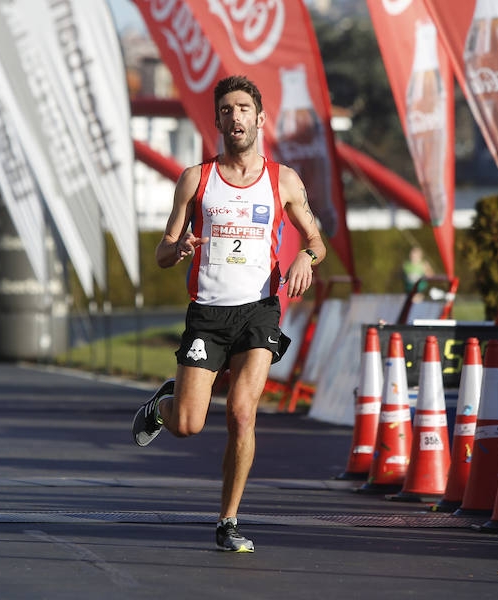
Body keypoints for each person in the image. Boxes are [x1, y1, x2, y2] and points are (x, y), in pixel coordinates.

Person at [132, 75, 326, 553]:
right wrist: (179, 248)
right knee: (188, 425)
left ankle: (228, 521)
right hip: (208, 315)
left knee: (242, 412)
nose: (235, 117)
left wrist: (305, 257)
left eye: (243, 109)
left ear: (260, 119)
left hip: (259, 311)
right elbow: (161, 251)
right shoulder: (196, 179)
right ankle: (163, 406)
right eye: (226, 110)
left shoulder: (283, 181)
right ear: (217, 120)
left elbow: (316, 241)